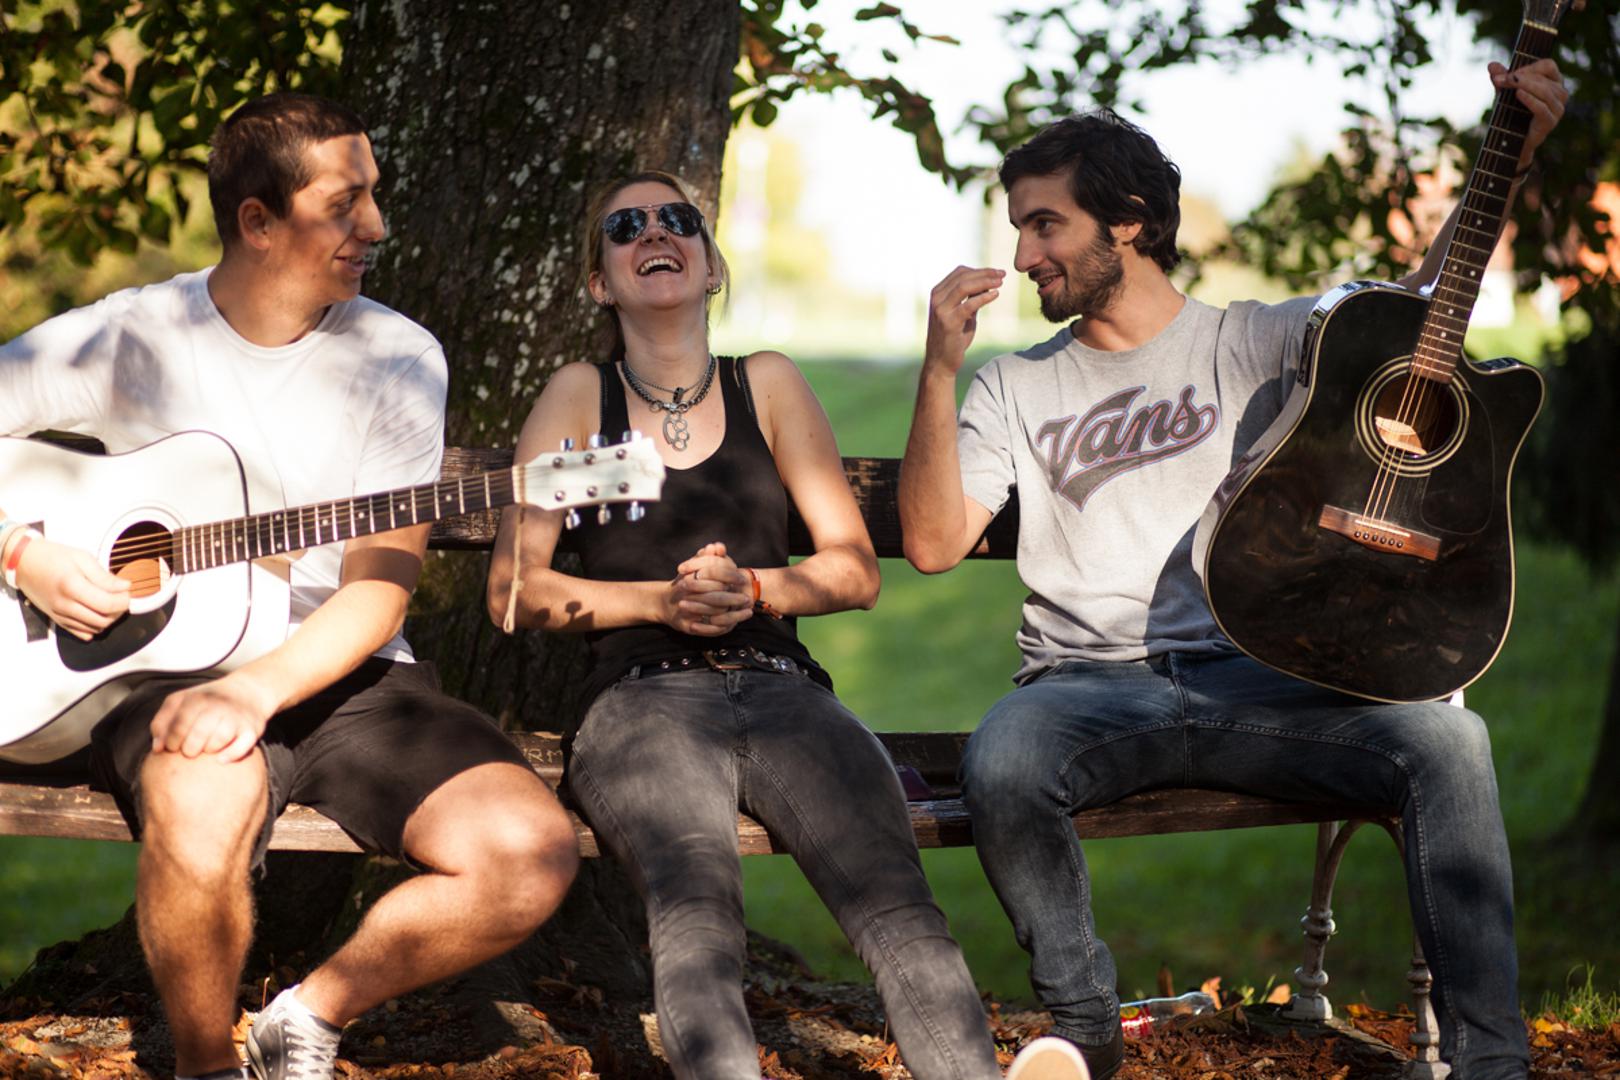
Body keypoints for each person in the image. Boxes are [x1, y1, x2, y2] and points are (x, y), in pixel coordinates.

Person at [897, 60, 1568, 1080]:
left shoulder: (1257, 342)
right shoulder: (1012, 385)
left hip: (1261, 678)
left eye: (1044, 225)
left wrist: (1512, 154)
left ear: (1128, 222)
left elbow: (1421, 308)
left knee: (1448, 741)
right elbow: (933, 543)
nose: (1023, 254)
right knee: (1005, 758)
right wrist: (940, 369)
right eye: (1021, 228)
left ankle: (1490, 1065)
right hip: (1086, 691)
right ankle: (1084, 1032)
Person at [0, 93, 580, 1080]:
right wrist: (26, 555)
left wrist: (255, 692)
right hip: (161, 670)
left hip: (351, 673)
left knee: (529, 851)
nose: (377, 227)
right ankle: (207, 1068)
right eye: (345, 204)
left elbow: (379, 590)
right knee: (198, 799)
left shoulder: (398, 358)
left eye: (375, 197)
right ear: (258, 221)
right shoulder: (130, 336)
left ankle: (306, 1017)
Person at [487, 170, 1089, 1080]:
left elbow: (854, 570)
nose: (656, 232)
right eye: (626, 226)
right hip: (643, 706)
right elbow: (514, 590)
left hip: (785, 694)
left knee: (899, 908)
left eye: (678, 219)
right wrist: (658, 603)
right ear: (600, 282)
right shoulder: (579, 394)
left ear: (711, 264)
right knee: (695, 918)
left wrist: (756, 590)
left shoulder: (765, 383)